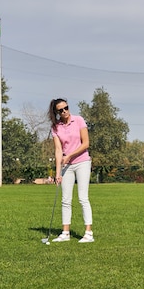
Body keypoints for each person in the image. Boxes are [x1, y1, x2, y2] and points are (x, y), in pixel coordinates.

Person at [48, 98, 94, 243]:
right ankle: (65, 233)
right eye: (61, 110)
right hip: (66, 166)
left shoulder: (79, 120)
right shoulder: (56, 127)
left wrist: (70, 155)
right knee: (65, 200)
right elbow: (57, 150)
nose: (65, 111)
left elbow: (86, 143)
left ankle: (88, 233)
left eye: (66, 108)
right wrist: (57, 174)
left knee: (82, 198)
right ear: (56, 112)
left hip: (82, 162)